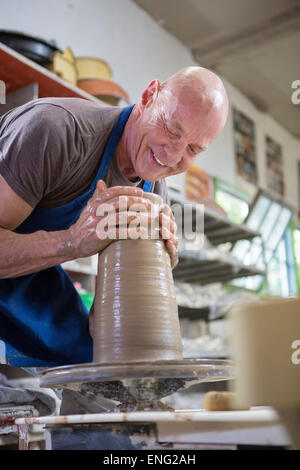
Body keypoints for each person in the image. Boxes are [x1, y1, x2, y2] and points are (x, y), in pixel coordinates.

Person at [0, 66, 228, 367]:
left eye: (193, 149)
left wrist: (159, 265)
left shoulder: (155, 195)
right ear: (149, 96)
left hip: (27, 272)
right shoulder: (56, 131)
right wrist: (71, 242)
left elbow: (105, 325)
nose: (173, 156)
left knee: (91, 358)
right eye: (172, 131)